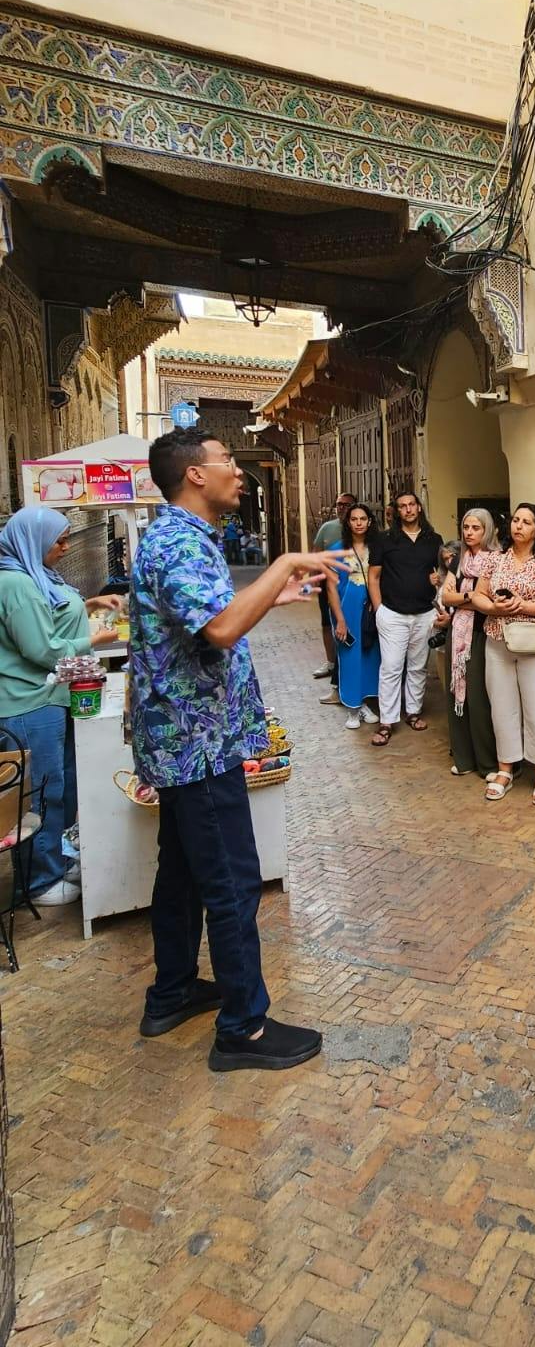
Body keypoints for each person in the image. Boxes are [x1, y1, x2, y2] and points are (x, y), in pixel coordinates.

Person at [128, 428, 346, 1071]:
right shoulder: (178, 541)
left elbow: (210, 620)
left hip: (183, 740)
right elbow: (221, 629)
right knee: (230, 879)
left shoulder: (181, 539)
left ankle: (171, 992)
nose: (238, 472)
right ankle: (243, 1029)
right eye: (227, 461)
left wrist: (266, 598)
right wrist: (281, 565)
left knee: (183, 871)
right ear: (195, 475)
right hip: (196, 745)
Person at [0, 506, 122, 905]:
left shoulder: (34, 576)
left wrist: (87, 606)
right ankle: (38, 881)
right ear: (34, 541)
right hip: (29, 703)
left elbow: (47, 617)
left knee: (62, 784)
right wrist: (96, 641)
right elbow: (42, 649)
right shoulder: (15, 583)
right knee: (40, 793)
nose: (65, 547)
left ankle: (56, 859)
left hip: (51, 698)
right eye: (60, 540)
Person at [473, 504, 535, 805]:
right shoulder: (495, 559)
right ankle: (506, 768)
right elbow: (478, 593)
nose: (518, 526)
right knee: (501, 706)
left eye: (526, 522)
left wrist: (522, 607)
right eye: (516, 520)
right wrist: (492, 607)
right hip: (499, 639)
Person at [367, 492, 443, 743]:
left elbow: (441, 574)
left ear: (419, 508)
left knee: (418, 666)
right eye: (402, 506)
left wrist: (438, 581)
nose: (408, 509)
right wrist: (379, 609)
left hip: (424, 613)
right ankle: (387, 721)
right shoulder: (384, 539)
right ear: (397, 512)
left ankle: (413, 711)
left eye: (412, 505)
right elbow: (374, 576)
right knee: (391, 667)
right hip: (393, 613)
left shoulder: (434, 540)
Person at [439, 508, 500, 780]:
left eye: (475, 528)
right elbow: (446, 597)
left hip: (481, 632)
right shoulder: (459, 560)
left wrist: (463, 597)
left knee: (478, 698)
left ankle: (487, 763)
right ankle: (464, 758)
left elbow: (489, 598)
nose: (469, 533)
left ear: (486, 530)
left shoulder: (495, 560)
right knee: (456, 693)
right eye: (466, 527)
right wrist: (471, 596)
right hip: (458, 632)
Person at [323, 503, 383, 730]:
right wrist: (340, 620)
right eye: (354, 519)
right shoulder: (337, 551)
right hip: (346, 611)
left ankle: (364, 703)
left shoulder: (377, 549)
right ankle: (352, 708)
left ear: (369, 522)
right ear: (348, 523)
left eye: (363, 519)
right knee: (349, 658)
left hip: (370, 610)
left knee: (371, 655)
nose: (359, 523)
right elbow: (330, 589)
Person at [313, 492, 355, 694]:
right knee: (327, 623)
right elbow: (315, 556)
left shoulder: (361, 529)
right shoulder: (326, 529)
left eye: (346, 505)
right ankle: (331, 662)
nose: (342, 508)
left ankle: (347, 669)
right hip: (329, 586)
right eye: (339, 504)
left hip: (353, 587)